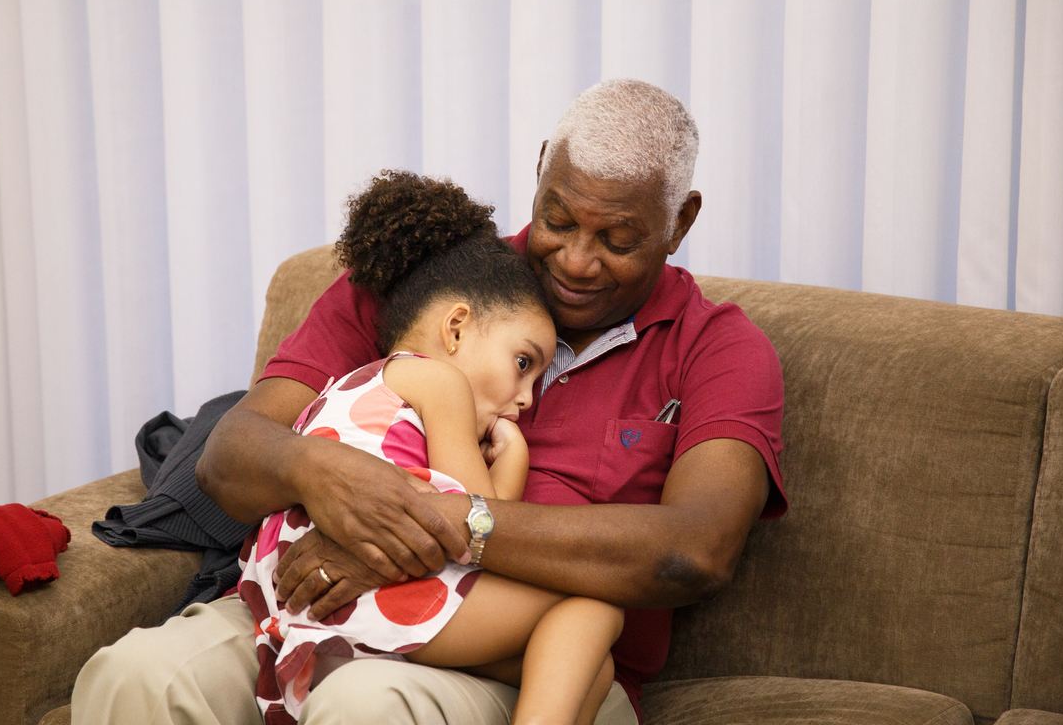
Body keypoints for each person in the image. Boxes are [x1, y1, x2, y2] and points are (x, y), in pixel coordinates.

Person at [71, 78, 786, 725]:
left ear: (680, 222)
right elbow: (232, 455)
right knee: (135, 677)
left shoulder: (717, 348)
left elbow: (696, 551)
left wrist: (430, 528)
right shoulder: (428, 283)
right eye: (559, 220)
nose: (575, 259)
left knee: (365, 703)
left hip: (528, 658)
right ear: (540, 171)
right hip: (319, 608)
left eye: (618, 239)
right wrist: (329, 479)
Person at [240, 170, 622, 725]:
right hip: (358, 605)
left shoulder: (356, 385)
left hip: (291, 602)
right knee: (594, 603)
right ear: (456, 328)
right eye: (523, 364)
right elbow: (479, 523)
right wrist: (513, 457)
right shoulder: (439, 385)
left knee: (589, 669)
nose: (524, 399)